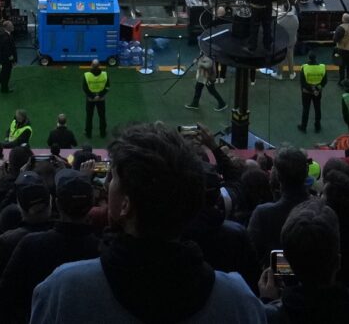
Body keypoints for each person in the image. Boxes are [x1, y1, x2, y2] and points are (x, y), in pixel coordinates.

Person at [25, 123, 262, 324]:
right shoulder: (240, 301)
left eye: (113, 178)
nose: (107, 186)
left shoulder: (64, 291)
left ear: (125, 205)